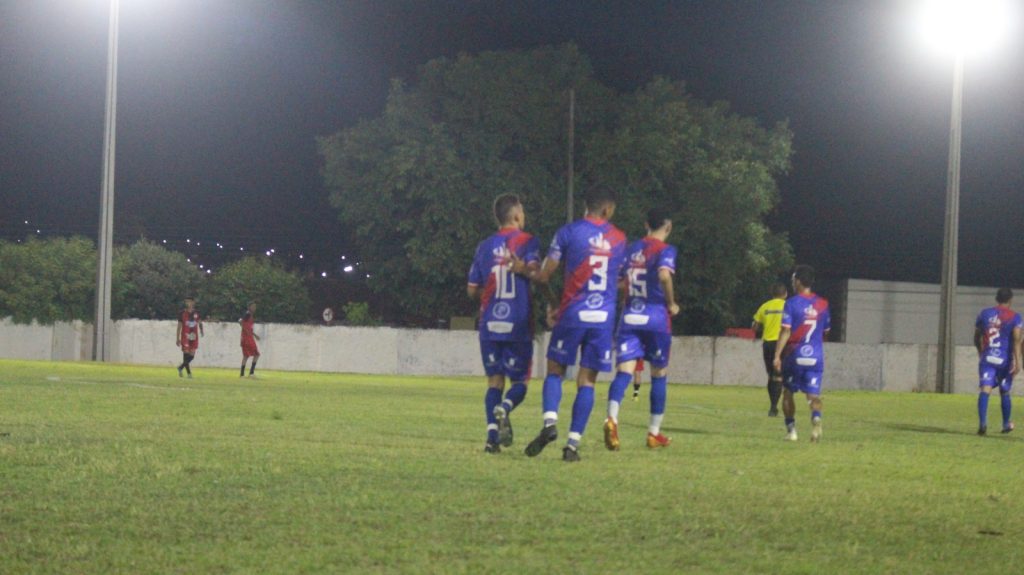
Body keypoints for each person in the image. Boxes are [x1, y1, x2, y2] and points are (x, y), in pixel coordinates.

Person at [516, 183, 626, 462]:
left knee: (555, 370)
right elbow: (623, 283)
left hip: (573, 314)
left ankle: (550, 423)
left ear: (585, 207)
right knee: (587, 381)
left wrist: (554, 303)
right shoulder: (620, 239)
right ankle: (572, 446)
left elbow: (543, 276)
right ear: (608, 209)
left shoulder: (568, 232)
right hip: (603, 318)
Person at [467, 194, 540, 453]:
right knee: (519, 383)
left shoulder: (484, 246)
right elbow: (536, 273)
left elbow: (472, 289)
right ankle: (505, 408)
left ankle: (491, 440)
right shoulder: (528, 242)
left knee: (494, 382)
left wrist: (489, 295)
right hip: (518, 322)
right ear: (517, 216)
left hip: (490, 322)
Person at [604, 208, 679, 450]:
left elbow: (618, 280)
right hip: (655, 318)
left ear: (646, 224)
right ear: (667, 227)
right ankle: (653, 433)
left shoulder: (632, 249)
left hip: (630, 317)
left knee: (624, 372)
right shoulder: (665, 250)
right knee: (658, 373)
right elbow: (665, 276)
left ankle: (612, 419)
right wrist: (671, 303)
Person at [772, 265, 830, 442]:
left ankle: (791, 431)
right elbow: (826, 331)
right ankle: (816, 417)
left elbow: (785, 331)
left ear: (797, 281)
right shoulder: (823, 304)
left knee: (788, 393)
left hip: (794, 355)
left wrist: (777, 355)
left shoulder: (791, 303)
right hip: (815, 356)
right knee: (813, 395)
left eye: (793, 279)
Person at [973, 288, 1022, 436]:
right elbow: (1017, 341)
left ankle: (982, 424)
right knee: (1005, 391)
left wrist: (981, 352)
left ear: (996, 298)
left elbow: (976, 337)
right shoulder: (1015, 317)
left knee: (985, 390)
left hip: (988, 358)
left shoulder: (984, 314)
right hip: (1004, 361)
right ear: (1011, 300)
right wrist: (1018, 362)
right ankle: (1006, 423)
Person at [752, 283, 788, 416]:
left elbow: (755, 326)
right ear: (785, 294)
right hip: (782, 343)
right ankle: (774, 406)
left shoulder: (765, 306)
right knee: (779, 375)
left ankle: (773, 405)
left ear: (772, 294)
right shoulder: (788, 306)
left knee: (771, 375)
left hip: (768, 343)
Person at [176, 297, 204, 378]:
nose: (187, 303)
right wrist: (177, 338)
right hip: (185, 336)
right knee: (186, 354)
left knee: (192, 355)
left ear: (193, 303)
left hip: (194, 336)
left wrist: (202, 330)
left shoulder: (197, 313)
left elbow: (200, 322)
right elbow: (179, 327)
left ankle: (180, 367)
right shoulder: (182, 313)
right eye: (186, 302)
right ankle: (189, 374)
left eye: (189, 301)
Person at [239, 302, 261, 377]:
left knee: (246, 356)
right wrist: (246, 331)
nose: (254, 308)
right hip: (247, 338)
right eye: (253, 306)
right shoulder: (247, 314)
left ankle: (242, 374)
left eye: (255, 306)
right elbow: (240, 321)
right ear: (249, 307)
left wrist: (255, 335)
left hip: (248, 337)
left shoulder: (249, 315)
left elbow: (248, 327)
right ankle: (251, 373)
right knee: (256, 354)